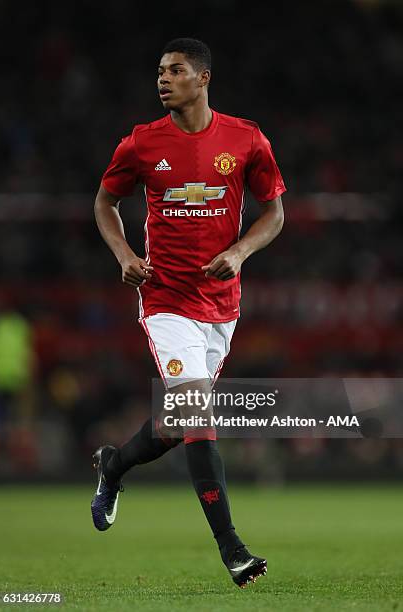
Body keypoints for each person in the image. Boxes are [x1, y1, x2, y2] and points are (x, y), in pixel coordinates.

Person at [91, 37, 285, 588]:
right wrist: (126, 255)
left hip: (220, 307)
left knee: (177, 424)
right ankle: (233, 550)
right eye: (159, 71)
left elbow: (274, 211)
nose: (163, 79)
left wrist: (240, 250)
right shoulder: (142, 143)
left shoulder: (246, 139)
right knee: (198, 413)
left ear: (203, 79)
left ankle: (114, 464)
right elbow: (105, 202)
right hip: (166, 300)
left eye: (175, 70)